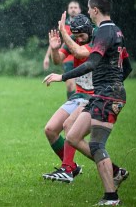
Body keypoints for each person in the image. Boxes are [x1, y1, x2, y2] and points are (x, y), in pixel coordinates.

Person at [43, 0, 132, 205]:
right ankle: (115, 172)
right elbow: (127, 67)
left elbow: (91, 62)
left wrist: (62, 76)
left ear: (94, 10)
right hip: (103, 94)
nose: (89, 12)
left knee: (96, 145)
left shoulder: (102, 32)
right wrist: (115, 84)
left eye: (89, 9)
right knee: (72, 135)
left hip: (106, 96)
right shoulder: (116, 31)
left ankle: (111, 197)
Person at [42, 13, 94, 181]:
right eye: (76, 35)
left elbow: (80, 54)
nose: (78, 39)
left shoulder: (97, 39)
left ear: (89, 31)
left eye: (81, 36)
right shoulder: (74, 39)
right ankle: (71, 167)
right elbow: (58, 61)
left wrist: (65, 35)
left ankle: (67, 170)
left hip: (95, 96)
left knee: (69, 125)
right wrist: (55, 48)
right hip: (79, 95)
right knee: (50, 129)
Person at [43, 0, 81, 99]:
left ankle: (81, 107)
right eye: (71, 8)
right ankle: (71, 107)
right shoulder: (63, 24)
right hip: (67, 58)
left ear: (80, 10)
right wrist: (47, 57)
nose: (73, 10)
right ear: (68, 10)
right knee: (70, 85)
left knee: (81, 86)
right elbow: (54, 41)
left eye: (75, 7)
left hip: (81, 56)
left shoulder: (84, 24)